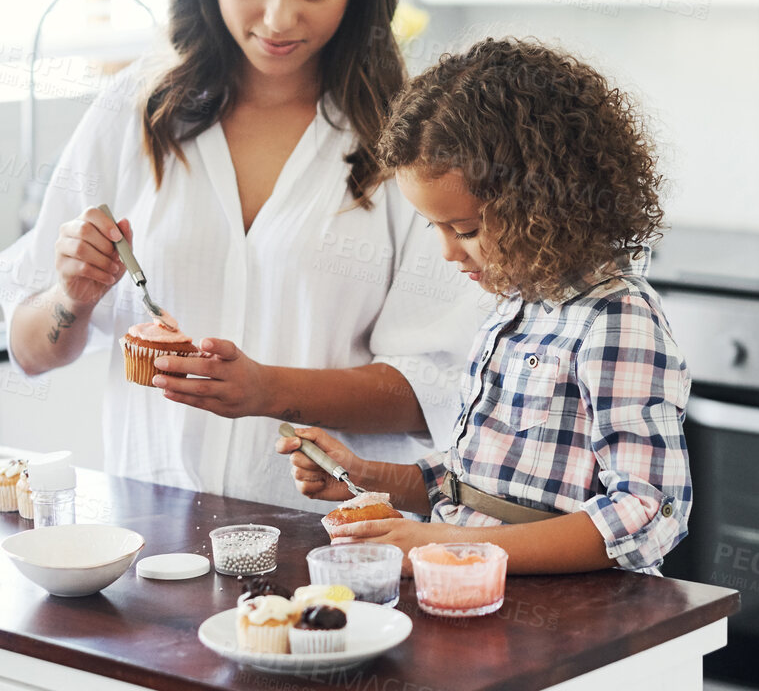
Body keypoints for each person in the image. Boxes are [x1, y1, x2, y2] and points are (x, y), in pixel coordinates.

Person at [0, 0, 486, 506]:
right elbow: (31, 349)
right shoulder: (137, 111)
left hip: (333, 547)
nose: (279, 18)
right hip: (153, 540)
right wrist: (71, 295)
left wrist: (270, 389)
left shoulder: (410, 138)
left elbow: (437, 386)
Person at [279, 39, 692, 573]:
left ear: (543, 205)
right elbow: (477, 484)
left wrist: (446, 548)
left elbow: (647, 512)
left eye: (467, 229)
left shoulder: (617, 320)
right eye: (436, 228)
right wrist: (363, 474)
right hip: (485, 601)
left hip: (572, 615)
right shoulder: (514, 311)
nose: (449, 252)